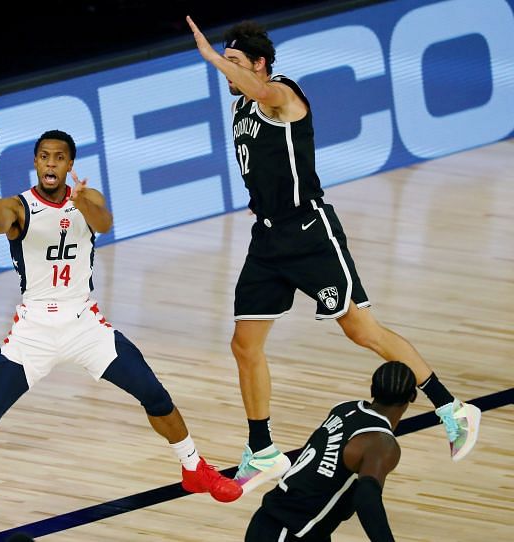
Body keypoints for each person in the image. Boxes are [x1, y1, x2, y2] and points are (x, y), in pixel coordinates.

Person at [185, 16, 481, 491]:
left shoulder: (280, 94)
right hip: (268, 239)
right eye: (225, 63)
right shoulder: (241, 105)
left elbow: (265, 96)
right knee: (244, 345)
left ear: (260, 65)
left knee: (361, 329)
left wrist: (213, 57)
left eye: (236, 63)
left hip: (309, 233)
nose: (227, 72)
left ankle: (453, 407)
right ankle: (262, 451)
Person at [0, 130, 242, 534]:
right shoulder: (20, 206)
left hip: (83, 323)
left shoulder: (87, 201)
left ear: (69, 164)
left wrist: (84, 201)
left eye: (58, 157)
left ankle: (194, 468)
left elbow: (104, 224)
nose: (50, 164)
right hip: (34, 329)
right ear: (35, 163)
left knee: (155, 394)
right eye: (43, 157)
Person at [245, 361, 418, 541]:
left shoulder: (344, 409)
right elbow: (366, 497)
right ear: (412, 396)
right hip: (288, 532)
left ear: (372, 390)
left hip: (276, 522)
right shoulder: (382, 445)